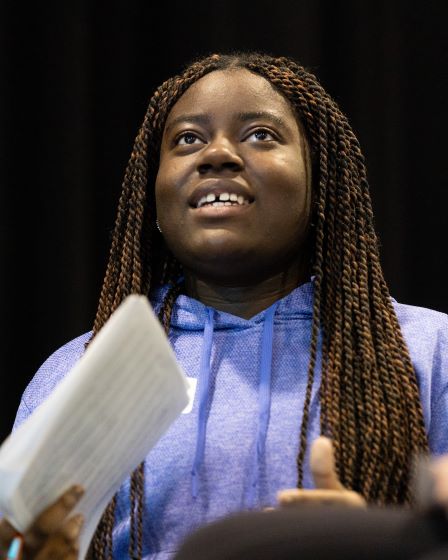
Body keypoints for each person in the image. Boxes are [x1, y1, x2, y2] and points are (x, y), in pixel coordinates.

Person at [11, 52, 448, 559]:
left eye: (260, 134)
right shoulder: (77, 373)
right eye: (187, 139)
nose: (216, 155)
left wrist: (370, 544)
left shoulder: (426, 350)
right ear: (152, 194)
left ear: (322, 180)